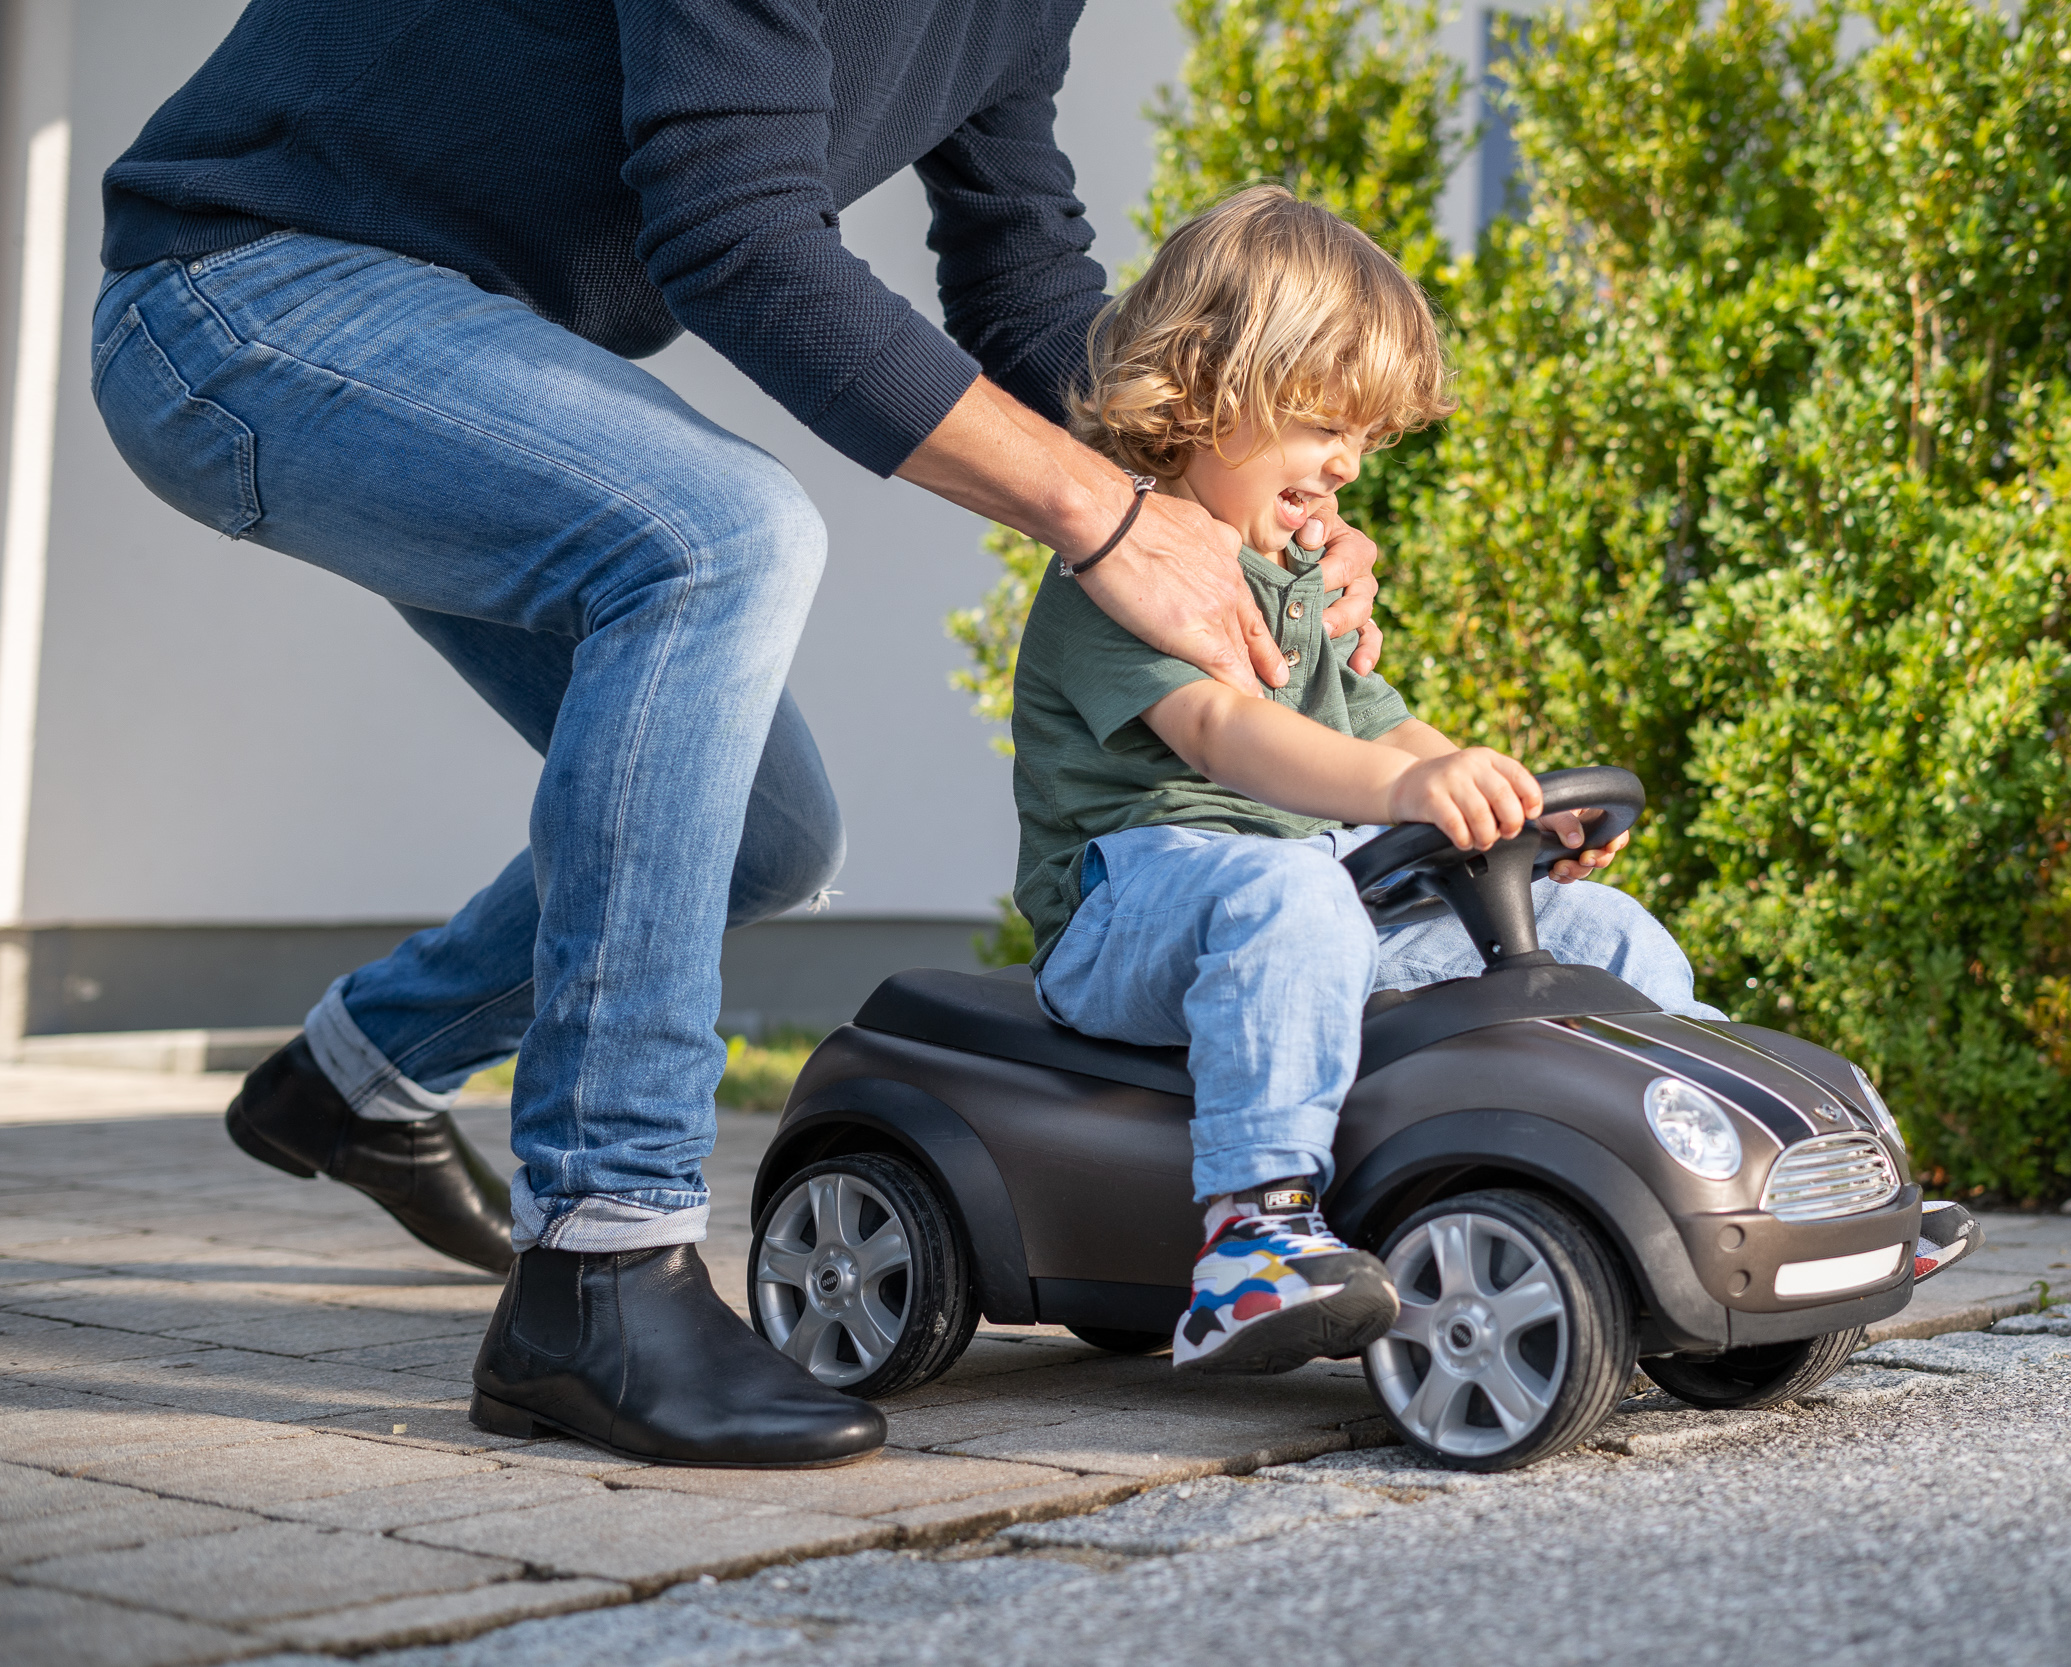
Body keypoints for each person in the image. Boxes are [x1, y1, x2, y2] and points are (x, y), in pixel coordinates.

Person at [90, 1, 1383, 1468]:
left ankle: (357, 1072)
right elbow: (732, 225)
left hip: (460, 337)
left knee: (765, 835)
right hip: (243, 293)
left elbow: (1021, 268)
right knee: (719, 537)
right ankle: (600, 1264)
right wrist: (1101, 512)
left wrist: (1252, 509)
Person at [1017, 187, 1985, 1373]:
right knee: (1292, 892)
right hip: (1135, 913)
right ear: (1215, 383)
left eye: (1364, 444)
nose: (1345, 469)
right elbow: (1225, 733)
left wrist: (1502, 801)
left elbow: (1386, 725)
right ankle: (1250, 1239)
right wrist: (1399, 791)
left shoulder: (1295, 573)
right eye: (1327, 427)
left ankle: (1769, 1163)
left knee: (1592, 925)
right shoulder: (1117, 572)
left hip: (1321, 898)